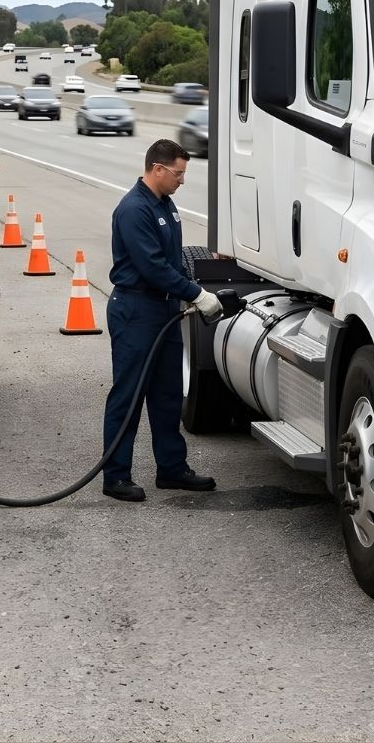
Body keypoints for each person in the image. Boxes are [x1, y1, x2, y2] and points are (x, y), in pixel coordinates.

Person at [101, 139, 223, 502]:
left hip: (164, 310)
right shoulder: (134, 210)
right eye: (178, 173)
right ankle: (116, 476)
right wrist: (197, 294)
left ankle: (171, 468)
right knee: (129, 395)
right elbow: (152, 267)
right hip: (136, 310)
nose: (182, 180)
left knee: (168, 394)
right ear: (158, 169)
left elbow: (171, 260)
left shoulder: (166, 206)